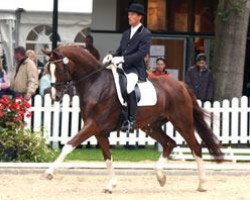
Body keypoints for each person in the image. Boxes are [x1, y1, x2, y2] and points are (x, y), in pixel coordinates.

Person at [102, 3, 152, 132]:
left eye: (132, 14)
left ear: (139, 17)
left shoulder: (145, 34)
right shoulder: (126, 33)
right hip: (122, 67)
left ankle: (130, 120)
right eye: (129, 14)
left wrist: (123, 59)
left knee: (129, 86)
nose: (129, 16)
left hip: (135, 69)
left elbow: (141, 54)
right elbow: (120, 51)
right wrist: (111, 56)